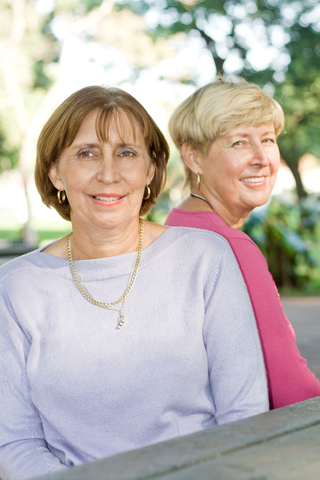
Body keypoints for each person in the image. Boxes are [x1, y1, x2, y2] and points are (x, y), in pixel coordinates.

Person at [0, 86, 268, 480]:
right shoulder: (15, 288)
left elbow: (244, 415)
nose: (108, 173)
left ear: (150, 170)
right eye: (86, 152)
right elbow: (14, 444)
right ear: (55, 170)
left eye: (126, 152)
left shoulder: (204, 258)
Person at [166, 76, 320, 410]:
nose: (262, 158)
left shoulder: (176, 226)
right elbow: (292, 390)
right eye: (238, 143)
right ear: (193, 157)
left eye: (267, 139)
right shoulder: (230, 247)